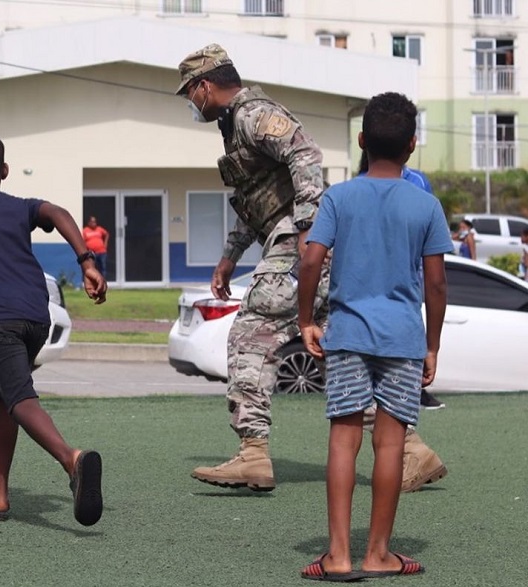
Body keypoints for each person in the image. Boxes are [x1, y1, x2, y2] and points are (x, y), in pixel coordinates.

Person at [175, 44, 443, 494]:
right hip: (301, 241)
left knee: (252, 331)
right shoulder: (235, 124)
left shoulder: (254, 114)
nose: (191, 103)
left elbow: (306, 155)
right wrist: (229, 256)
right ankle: (413, 450)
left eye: (190, 93)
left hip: (302, 244)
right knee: (341, 350)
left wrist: (306, 229)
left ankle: (253, 454)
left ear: (205, 85)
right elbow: (258, 200)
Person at [297, 92, 454, 580]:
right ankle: (378, 554)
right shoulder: (425, 205)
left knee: (344, 442)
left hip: (346, 336)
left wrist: (306, 319)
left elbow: (310, 259)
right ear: (412, 145)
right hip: (403, 341)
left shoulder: (339, 198)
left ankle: (338, 556)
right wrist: (432, 344)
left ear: (362, 141)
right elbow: (436, 283)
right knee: (390, 446)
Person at [0, 132, 107, 526]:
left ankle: (72, 460)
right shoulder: (20, 207)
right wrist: (87, 262)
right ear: (5, 170)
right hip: (35, 315)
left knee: (19, 397)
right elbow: (58, 212)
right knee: (0, 393)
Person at [359, 152, 447, 410]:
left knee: (408, 323)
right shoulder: (360, 184)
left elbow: (429, 234)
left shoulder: (418, 181)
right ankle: (378, 388)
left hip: (411, 271)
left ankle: (415, 388)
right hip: (374, 272)